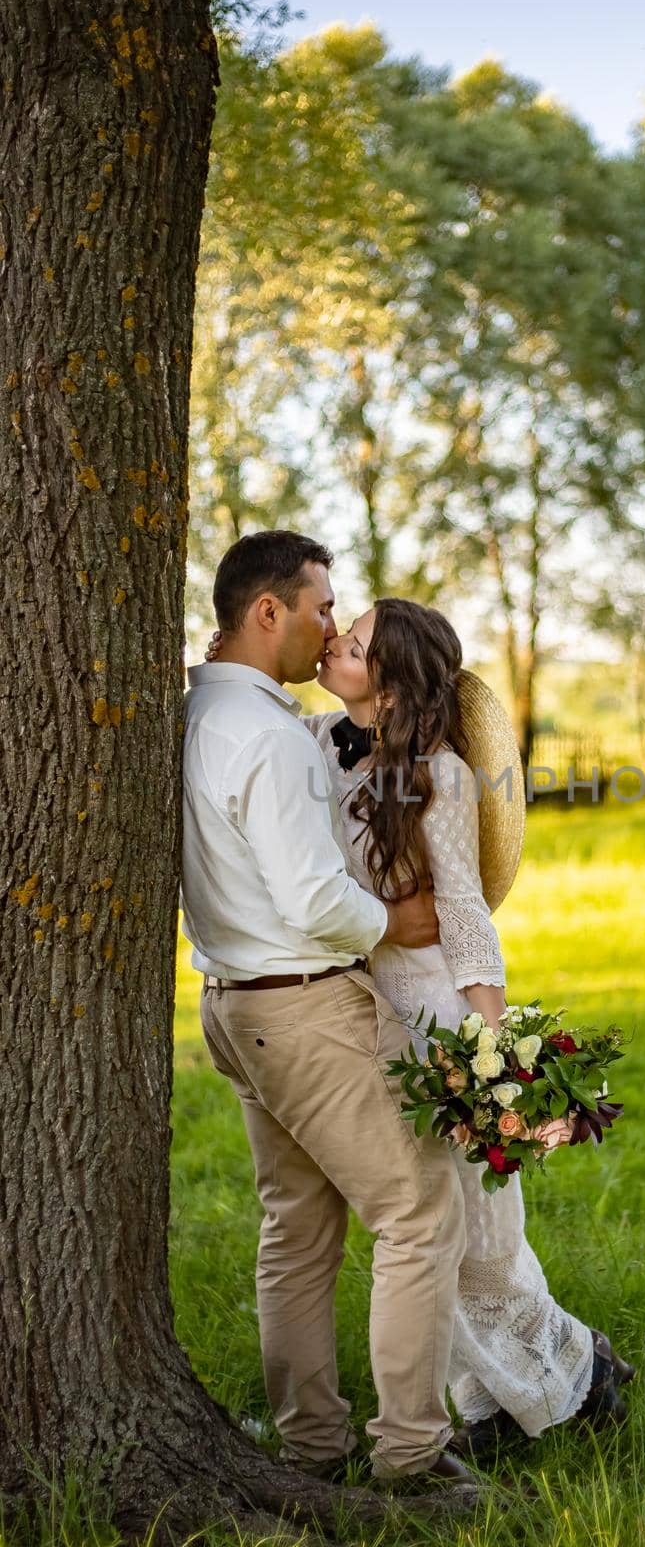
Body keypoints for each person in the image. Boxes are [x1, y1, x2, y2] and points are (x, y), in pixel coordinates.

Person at [306, 597, 635, 1457]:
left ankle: (551, 1383)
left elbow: (460, 905)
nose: (335, 642)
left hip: (435, 1008)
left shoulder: (442, 774)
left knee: (477, 1227)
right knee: (422, 1220)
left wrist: (492, 1046)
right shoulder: (315, 745)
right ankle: (536, 1379)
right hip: (358, 1009)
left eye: (358, 642)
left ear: (392, 680)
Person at [180, 531, 474, 1493]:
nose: (330, 626)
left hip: (237, 1005)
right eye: (319, 607)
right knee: (420, 1215)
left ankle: (311, 1449)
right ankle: (411, 1462)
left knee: (297, 1234)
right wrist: (394, 918)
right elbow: (313, 901)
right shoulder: (266, 733)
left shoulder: (201, 712)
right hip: (304, 1009)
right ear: (269, 613)